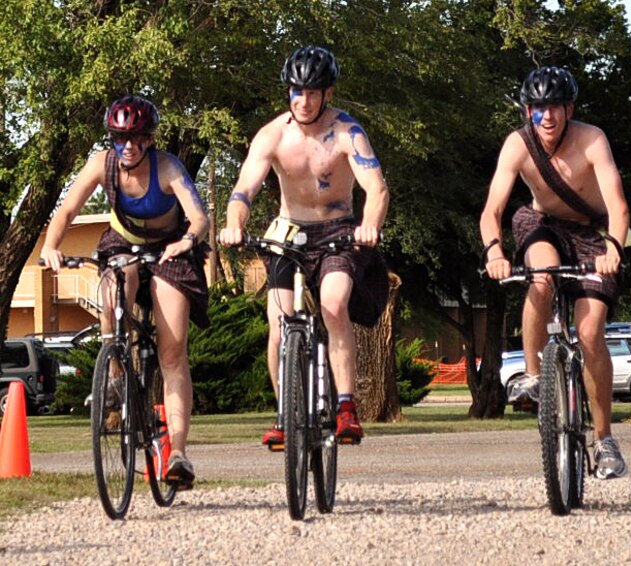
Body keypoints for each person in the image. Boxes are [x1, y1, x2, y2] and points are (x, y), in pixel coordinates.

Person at [219, 46, 389, 447]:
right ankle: (285, 415)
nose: (304, 100)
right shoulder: (272, 134)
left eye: (313, 92)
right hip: (289, 231)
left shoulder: (348, 133)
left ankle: (346, 406)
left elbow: (377, 189)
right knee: (278, 325)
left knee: (333, 303)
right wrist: (233, 224)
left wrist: (370, 224)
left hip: (339, 232)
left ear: (327, 94)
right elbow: (244, 189)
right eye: (297, 91)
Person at [41, 95, 210, 488]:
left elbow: (200, 217)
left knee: (171, 351)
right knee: (114, 289)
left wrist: (188, 240)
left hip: (171, 248)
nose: (129, 146)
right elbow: (66, 212)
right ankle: (115, 369)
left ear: (149, 139)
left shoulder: (167, 166)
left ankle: (179, 454)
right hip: (124, 243)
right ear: (112, 140)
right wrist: (51, 246)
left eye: (136, 138)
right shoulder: (102, 164)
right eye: (121, 138)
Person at [479, 66, 630, 480]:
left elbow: (618, 206)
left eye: (555, 108)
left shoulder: (592, 139)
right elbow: (492, 211)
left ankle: (604, 439)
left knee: (591, 334)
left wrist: (614, 249)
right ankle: (532, 375)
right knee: (541, 276)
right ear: (528, 111)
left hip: (593, 235)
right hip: (541, 223)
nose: (547, 117)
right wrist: (495, 252)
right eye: (538, 108)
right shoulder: (518, 145)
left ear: (569, 109)